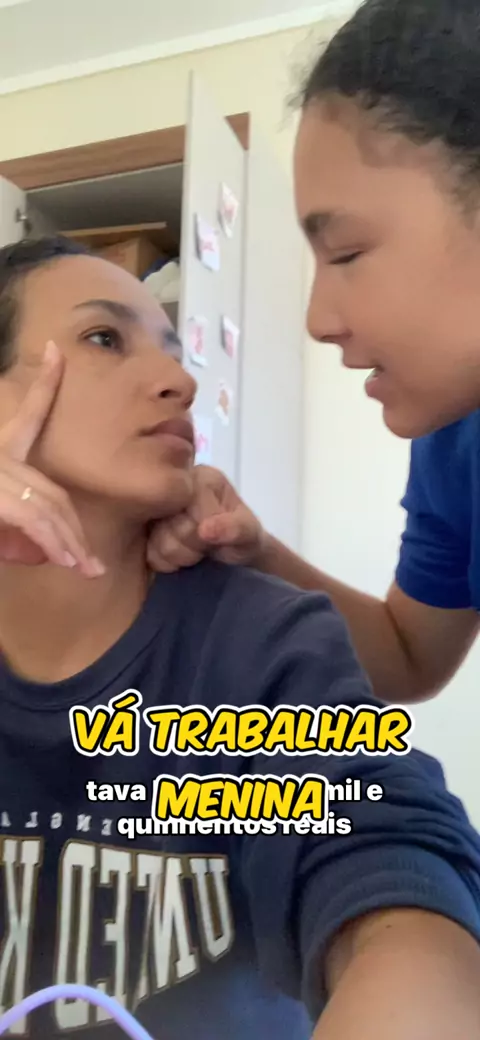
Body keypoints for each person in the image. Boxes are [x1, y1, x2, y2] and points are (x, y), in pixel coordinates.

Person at [0, 235, 480, 1040]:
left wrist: (407, 956)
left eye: (173, 351)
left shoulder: (261, 644)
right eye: (104, 338)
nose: (181, 382)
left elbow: (386, 859)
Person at [148, 0, 480, 707]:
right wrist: (257, 554)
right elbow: (409, 658)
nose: (317, 322)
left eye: (348, 253)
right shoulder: (454, 442)